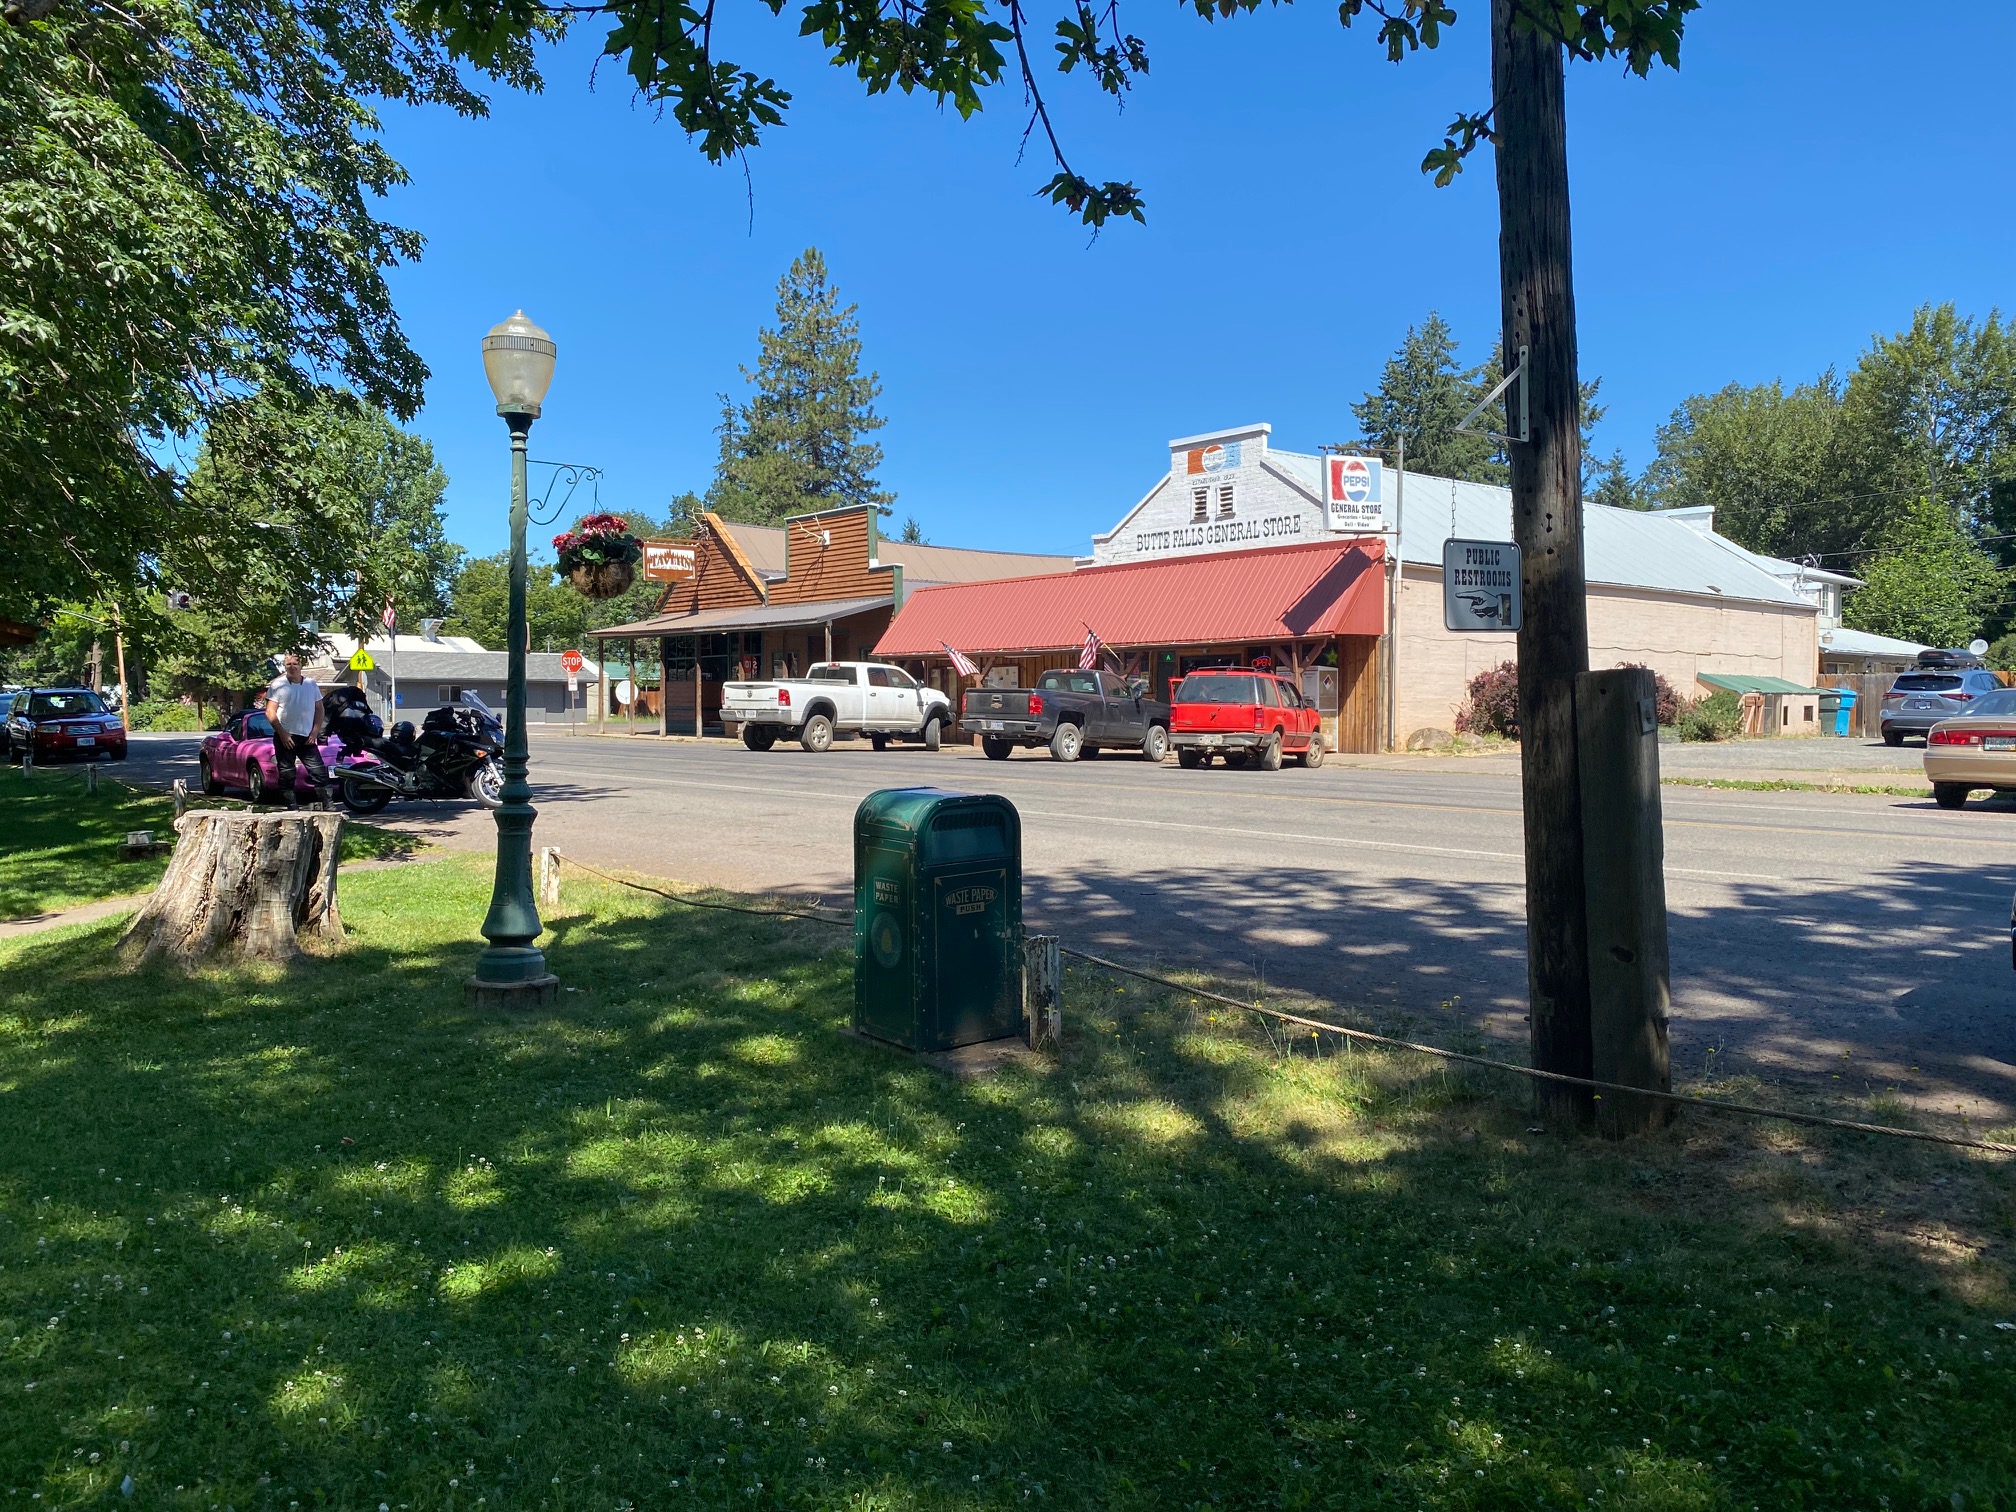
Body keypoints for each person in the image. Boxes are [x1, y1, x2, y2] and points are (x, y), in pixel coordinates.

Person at [264, 654, 331, 810]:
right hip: (286, 737)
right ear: (284, 666)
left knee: (319, 772)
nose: (292, 667)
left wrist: (315, 732)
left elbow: (320, 709)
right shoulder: (277, 685)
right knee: (287, 774)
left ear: (301, 666)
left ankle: (328, 806)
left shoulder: (311, 685)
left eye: (295, 664)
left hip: (307, 737)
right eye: (288, 664)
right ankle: (292, 807)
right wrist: (282, 733)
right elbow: (270, 712)